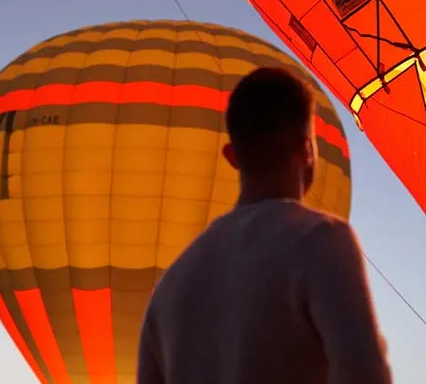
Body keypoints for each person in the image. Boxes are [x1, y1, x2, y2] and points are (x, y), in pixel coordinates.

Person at [137, 66, 392, 384]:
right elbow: (364, 374)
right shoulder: (321, 240)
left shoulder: (168, 290)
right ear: (307, 150)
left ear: (232, 156)